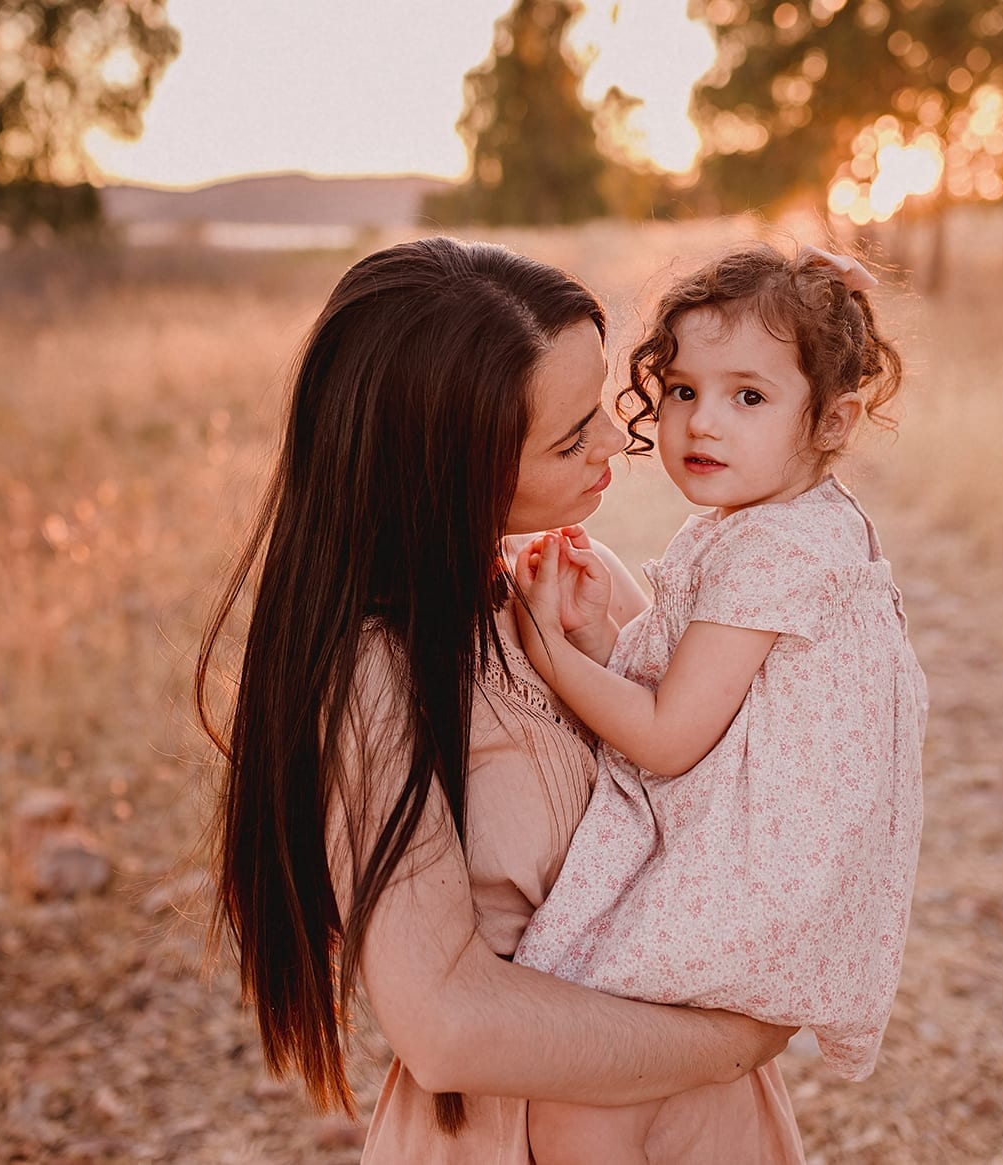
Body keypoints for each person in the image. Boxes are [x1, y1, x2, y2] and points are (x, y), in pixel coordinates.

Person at [196, 236, 805, 1163]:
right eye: (571, 436)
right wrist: (729, 1041)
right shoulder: (374, 681)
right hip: (523, 1130)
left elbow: (746, 776)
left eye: (601, 406)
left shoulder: (573, 577)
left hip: (704, 1126)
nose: (618, 441)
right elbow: (445, 1022)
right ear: (447, 469)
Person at [509, 243, 928, 1165]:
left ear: (832, 420)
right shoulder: (798, 521)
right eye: (683, 389)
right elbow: (710, 693)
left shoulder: (771, 552)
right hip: (774, 866)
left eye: (749, 397)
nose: (702, 422)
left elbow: (668, 737)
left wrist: (548, 650)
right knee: (607, 1095)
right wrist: (602, 641)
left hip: (749, 882)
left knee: (577, 1092)